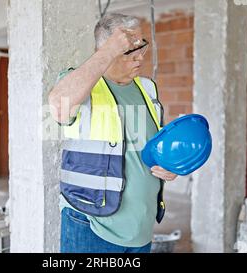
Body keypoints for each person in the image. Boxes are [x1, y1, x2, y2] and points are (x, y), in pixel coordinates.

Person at [48, 13, 177, 253]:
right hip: (91, 225)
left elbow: (150, 147)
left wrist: (169, 166)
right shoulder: (84, 84)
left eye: (143, 47)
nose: (140, 57)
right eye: (130, 50)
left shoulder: (146, 88)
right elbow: (58, 107)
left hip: (141, 227)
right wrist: (107, 53)